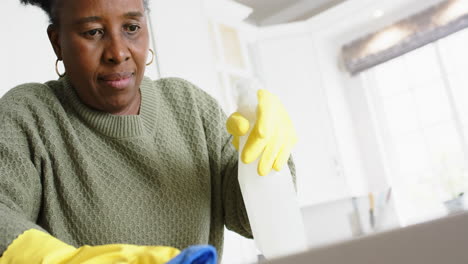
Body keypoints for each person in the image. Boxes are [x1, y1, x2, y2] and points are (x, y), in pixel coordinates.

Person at [0, 0, 297, 263]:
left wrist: (267, 165)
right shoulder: (28, 115)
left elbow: (250, 221)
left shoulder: (190, 106)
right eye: (93, 32)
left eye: (131, 27)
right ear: (58, 43)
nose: (118, 52)